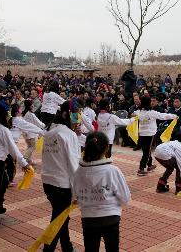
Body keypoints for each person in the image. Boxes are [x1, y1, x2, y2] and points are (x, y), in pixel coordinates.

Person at [73, 132, 131, 252]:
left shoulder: (78, 171)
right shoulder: (113, 171)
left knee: (90, 249)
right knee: (112, 248)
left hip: (88, 218)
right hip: (111, 218)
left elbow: (75, 196)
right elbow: (125, 198)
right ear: (106, 149)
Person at [0, 102, 30, 225]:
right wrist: (24, 163)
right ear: (3, 115)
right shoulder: (2, 130)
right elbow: (12, 148)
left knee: (3, 182)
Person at [41, 101, 80, 252]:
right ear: (66, 114)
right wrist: (77, 190)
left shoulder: (50, 133)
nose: (76, 120)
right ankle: (47, 249)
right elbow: (73, 164)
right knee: (58, 220)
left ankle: (67, 247)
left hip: (48, 182)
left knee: (62, 218)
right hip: (62, 185)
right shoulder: (68, 135)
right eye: (74, 116)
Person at [134, 97, 178, 176]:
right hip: (149, 135)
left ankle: (150, 165)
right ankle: (141, 168)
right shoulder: (152, 113)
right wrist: (174, 116)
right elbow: (163, 116)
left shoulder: (138, 112)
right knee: (146, 152)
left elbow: (133, 114)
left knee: (146, 150)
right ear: (148, 103)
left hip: (141, 134)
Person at [154, 126, 181, 194]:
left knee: (170, 168)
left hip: (157, 153)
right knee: (179, 167)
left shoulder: (177, 143)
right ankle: (179, 189)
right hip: (163, 153)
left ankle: (160, 185)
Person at [22, 99, 46, 165]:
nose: (33, 105)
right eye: (32, 104)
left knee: (29, 146)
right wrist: (45, 126)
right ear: (30, 106)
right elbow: (38, 122)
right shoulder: (30, 114)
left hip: (26, 133)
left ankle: (28, 159)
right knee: (33, 146)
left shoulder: (25, 113)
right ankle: (25, 158)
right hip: (30, 133)